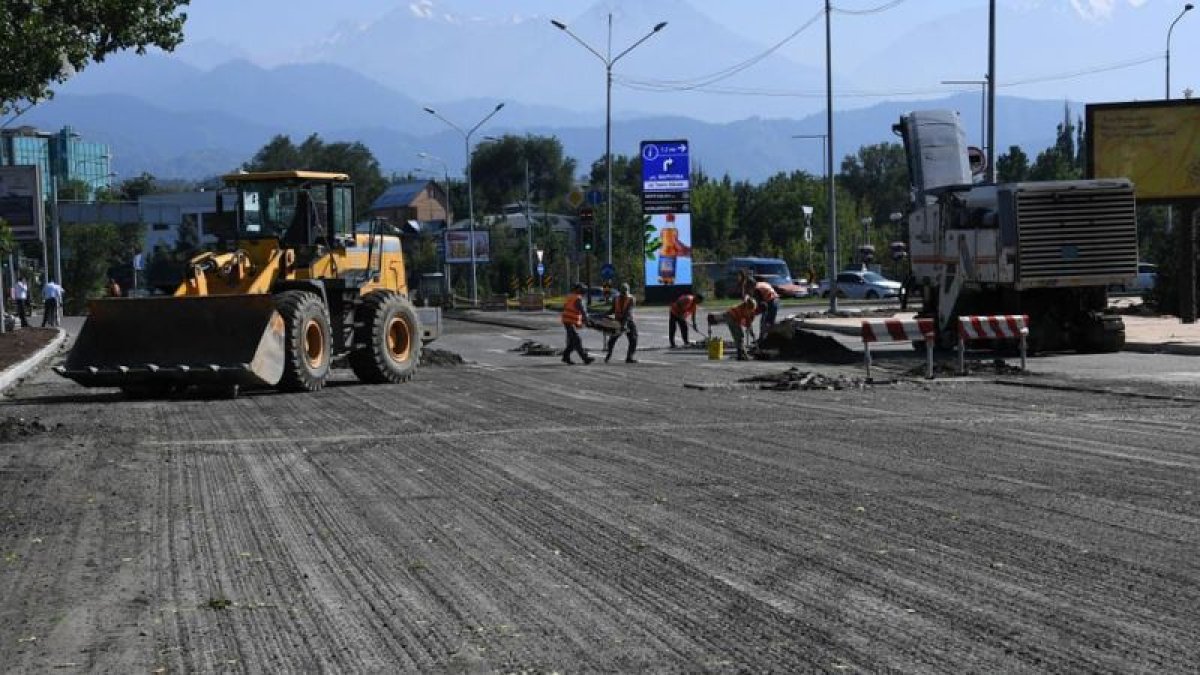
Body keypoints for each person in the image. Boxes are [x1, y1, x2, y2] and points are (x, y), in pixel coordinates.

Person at [708, 296, 758, 361]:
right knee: (739, 336)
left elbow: (748, 323)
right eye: (750, 309)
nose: (751, 310)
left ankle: (741, 354)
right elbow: (748, 322)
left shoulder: (747, 308)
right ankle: (740, 354)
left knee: (739, 336)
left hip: (731, 316)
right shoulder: (745, 308)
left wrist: (751, 332)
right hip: (732, 317)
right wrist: (751, 332)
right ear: (748, 306)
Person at [560, 282, 594, 365]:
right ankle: (585, 358)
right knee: (577, 340)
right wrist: (587, 321)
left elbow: (566, 308)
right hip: (570, 322)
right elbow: (583, 311)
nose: (584, 291)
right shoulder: (578, 298)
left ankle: (565, 356)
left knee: (573, 342)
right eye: (583, 289)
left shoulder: (570, 297)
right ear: (579, 290)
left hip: (567, 321)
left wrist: (584, 320)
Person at [604, 283, 638, 363]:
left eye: (624, 292)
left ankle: (629, 357)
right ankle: (609, 354)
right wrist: (604, 314)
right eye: (622, 292)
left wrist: (624, 324)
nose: (623, 294)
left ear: (628, 291)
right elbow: (612, 309)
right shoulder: (616, 298)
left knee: (633, 339)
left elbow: (628, 312)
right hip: (618, 321)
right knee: (612, 339)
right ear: (620, 291)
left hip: (628, 321)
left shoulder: (631, 299)